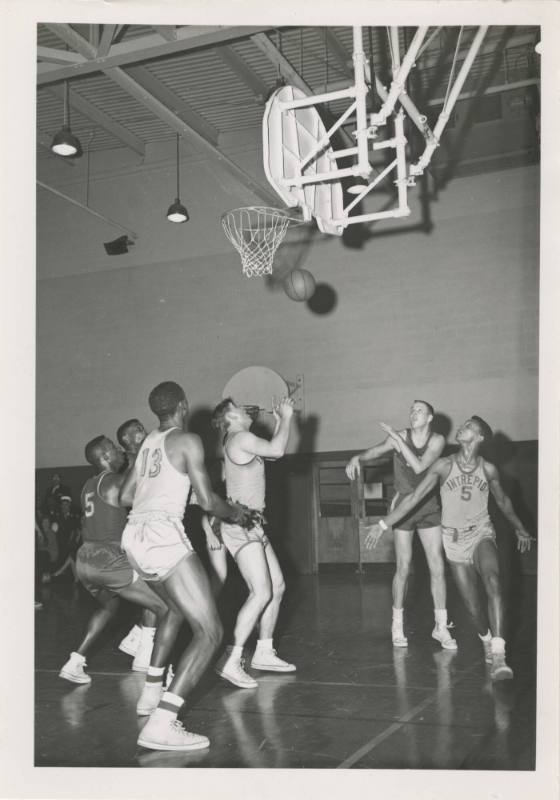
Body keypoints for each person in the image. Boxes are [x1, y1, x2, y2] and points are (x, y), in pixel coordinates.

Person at [119, 381, 256, 752]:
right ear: (183, 405)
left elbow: (125, 496)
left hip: (134, 537)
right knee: (210, 632)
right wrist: (238, 513)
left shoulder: (148, 441)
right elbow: (211, 502)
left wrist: (171, 486)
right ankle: (162, 724)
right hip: (163, 535)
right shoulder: (189, 440)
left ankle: (150, 694)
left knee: (174, 611)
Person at [364, 416, 535, 680]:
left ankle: (499, 654)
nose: (462, 427)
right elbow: (415, 497)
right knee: (474, 607)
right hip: (453, 541)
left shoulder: (488, 469)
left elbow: (503, 502)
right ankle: (486, 638)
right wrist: (384, 524)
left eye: (468, 426)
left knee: (493, 580)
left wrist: (521, 528)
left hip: (481, 533)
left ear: (479, 438)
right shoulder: (444, 466)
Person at [59, 436, 182, 687]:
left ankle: (75, 661)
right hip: (109, 559)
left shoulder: (87, 486)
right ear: (104, 457)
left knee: (109, 606)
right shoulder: (115, 481)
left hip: (85, 559)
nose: (119, 451)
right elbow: (145, 496)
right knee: (168, 607)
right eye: (114, 449)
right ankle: (156, 671)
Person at [346, 400, 456, 650]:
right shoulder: (400, 437)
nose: (413, 413)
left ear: (429, 418)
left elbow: (419, 466)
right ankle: (397, 623)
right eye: (412, 409)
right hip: (403, 509)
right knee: (403, 566)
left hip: (428, 507)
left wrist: (397, 438)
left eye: (419, 410)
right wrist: (357, 457)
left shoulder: (437, 440)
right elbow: (375, 451)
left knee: (437, 565)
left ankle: (440, 626)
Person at [210, 396, 295, 690]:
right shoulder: (239, 436)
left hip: (254, 524)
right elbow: (278, 449)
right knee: (260, 593)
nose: (246, 409)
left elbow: (271, 453)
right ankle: (230, 660)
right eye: (238, 408)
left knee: (278, 587)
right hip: (240, 526)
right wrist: (287, 417)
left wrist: (282, 421)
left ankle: (263, 651)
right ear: (229, 418)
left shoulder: (242, 440)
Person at [115, 417, 160, 669]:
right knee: (155, 594)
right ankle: (144, 653)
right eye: (139, 431)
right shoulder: (136, 464)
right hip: (142, 534)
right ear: (129, 441)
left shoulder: (144, 459)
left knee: (156, 594)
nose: (145, 432)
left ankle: (136, 638)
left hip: (145, 532)